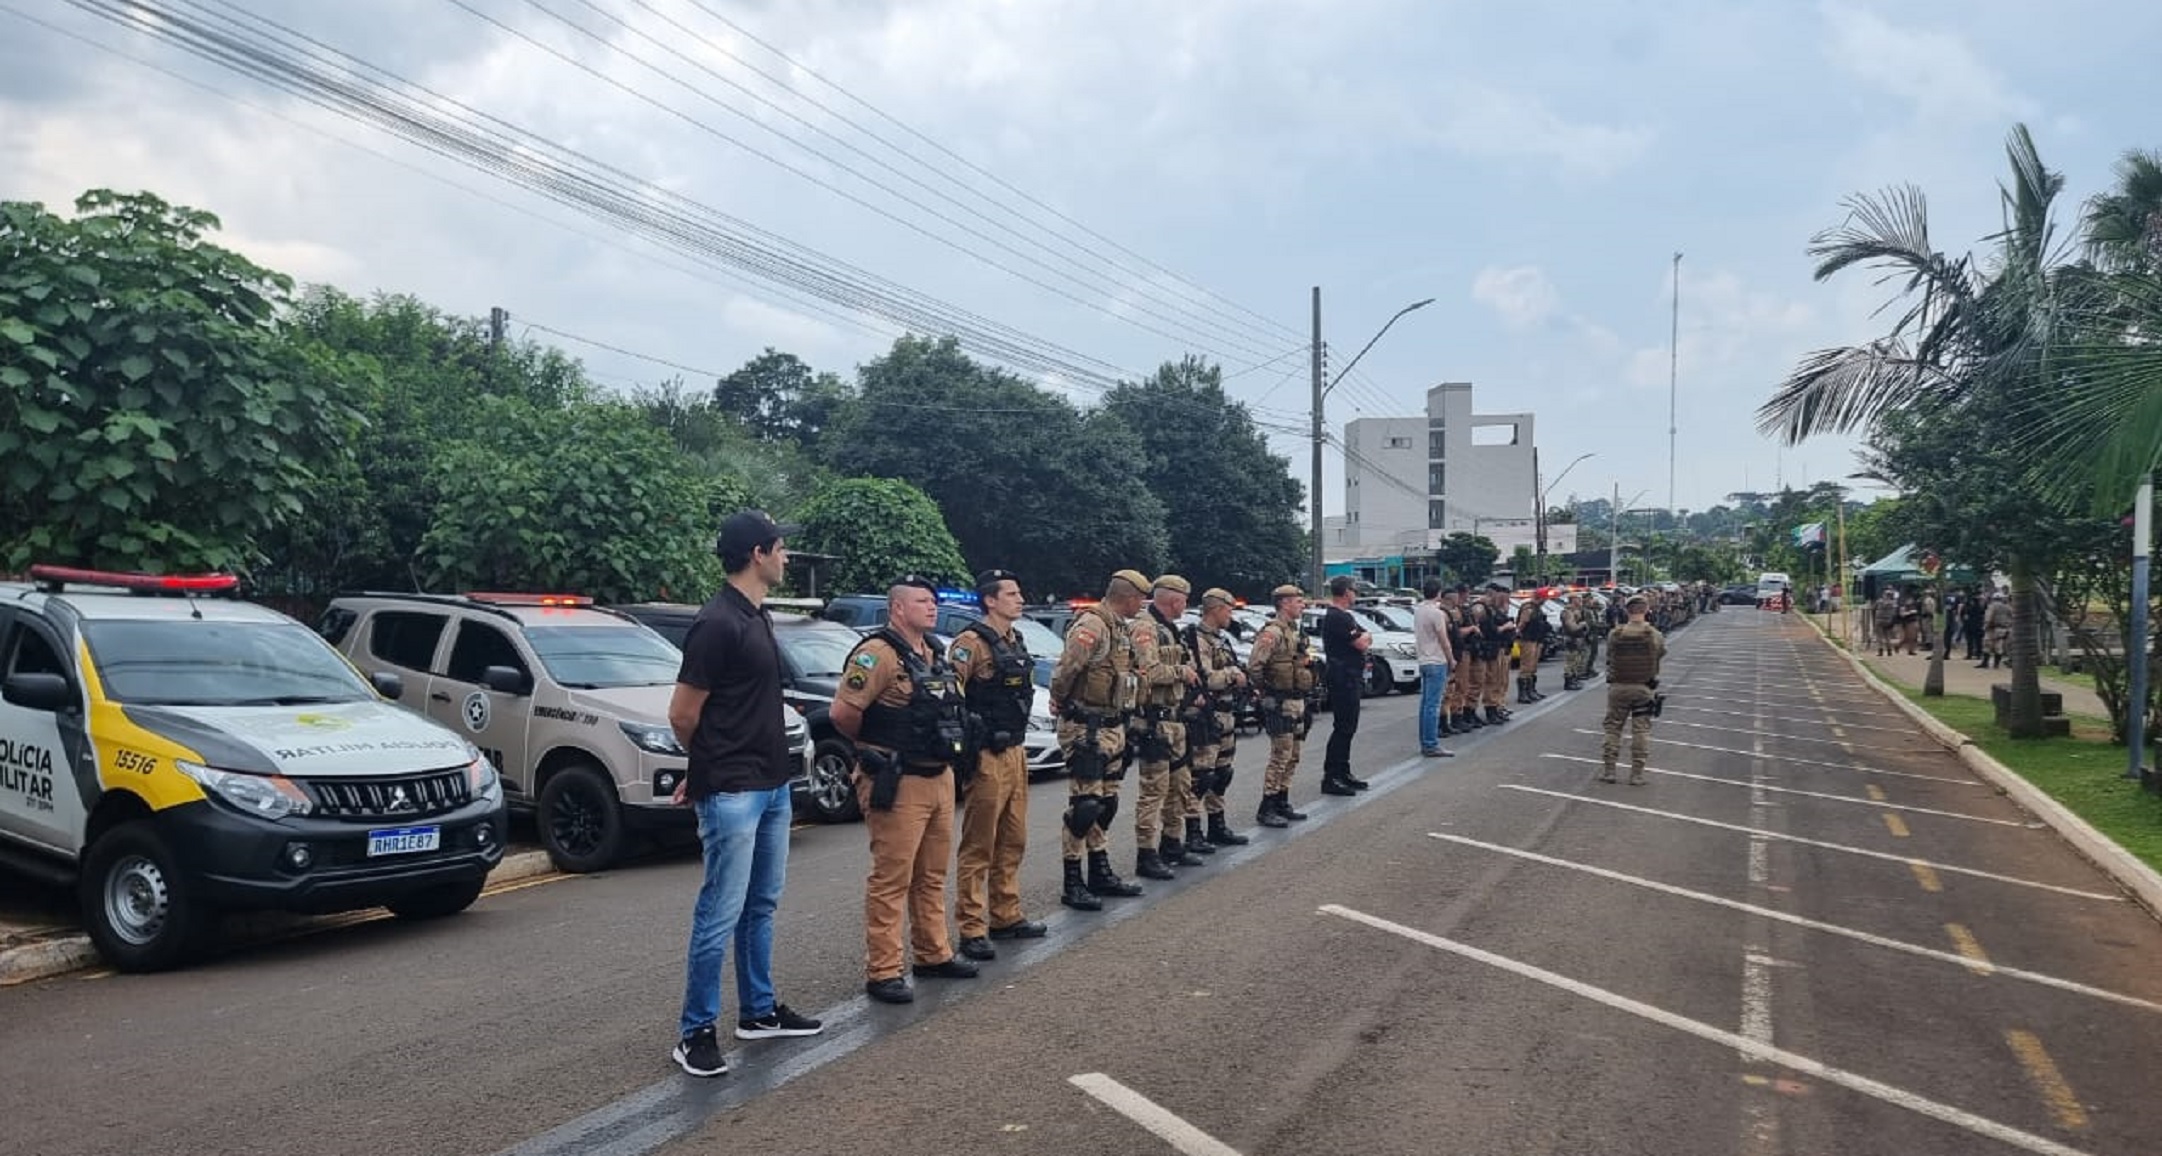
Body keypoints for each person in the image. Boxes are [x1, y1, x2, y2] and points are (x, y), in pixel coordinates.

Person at [668, 510, 824, 1079]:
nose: (787, 557)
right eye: (781, 548)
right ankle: (695, 1032)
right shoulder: (717, 622)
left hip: (772, 782)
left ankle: (758, 1012)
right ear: (757, 554)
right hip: (734, 788)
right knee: (720, 909)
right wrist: (708, 766)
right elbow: (683, 714)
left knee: (760, 904)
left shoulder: (756, 616)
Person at [831, 577, 978, 1005]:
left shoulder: (934, 652)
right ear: (897, 608)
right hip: (898, 778)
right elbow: (843, 713)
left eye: (933, 601)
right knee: (892, 878)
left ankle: (933, 954)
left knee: (932, 875)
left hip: (938, 776)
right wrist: (874, 744)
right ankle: (884, 970)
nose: (931, 607)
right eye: (921, 601)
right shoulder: (876, 655)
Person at [948, 568, 1047, 963]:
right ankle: (972, 927)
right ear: (990, 600)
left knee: (1013, 838)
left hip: (1016, 752)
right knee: (979, 844)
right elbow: (951, 697)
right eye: (1012, 593)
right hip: (986, 754)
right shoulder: (969, 643)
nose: (1020, 599)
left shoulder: (1015, 639)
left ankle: (1006, 914)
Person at [1050, 570, 1149, 909]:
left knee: (1106, 804)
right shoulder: (1092, 625)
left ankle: (1100, 871)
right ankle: (1073, 881)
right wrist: (1060, 701)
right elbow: (1066, 669)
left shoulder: (1119, 627)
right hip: (1086, 727)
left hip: (1112, 725)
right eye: (1140, 598)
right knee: (1084, 806)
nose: (1142, 604)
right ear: (1128, 597)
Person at [1130, 575, 1201, 880]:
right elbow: (1148, 671)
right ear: (1174, 599)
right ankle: (1146, 854)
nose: (1186, 605)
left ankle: (1172, 843)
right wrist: (1181, 672)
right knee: (1154, 791)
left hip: (1175, 719)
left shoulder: (1172, 630)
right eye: (1184, 599)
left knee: (1180, 786)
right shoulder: (1145, 628)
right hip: (1154, 721)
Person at [1182, 588, 1252, 847]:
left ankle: (1217, 825)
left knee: (1222, 774)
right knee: (1202, 776)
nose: (1230, 615)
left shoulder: (1220, 639)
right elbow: (1206, 678)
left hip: (1225, 714)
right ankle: (1192, 832)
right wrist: (1233, 674)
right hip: (1207, 717)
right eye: (1228, 609)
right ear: (1216, 609)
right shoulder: (1196, 640)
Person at [1248, 583, 1315, 827]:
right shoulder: (1273, 633)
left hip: (1296, 699)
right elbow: (1255, 665)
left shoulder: (1294, 632)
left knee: (1293, 755)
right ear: (1285, 603)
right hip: (1280, 701)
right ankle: (1267, 806)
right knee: (1280, 755)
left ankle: (1282, 800)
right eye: (1298, 601)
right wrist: (1266, 691)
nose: (1302, 605)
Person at [1600, 595, 1667, 786]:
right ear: (1646, 610)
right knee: (1641, 731)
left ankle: (1609, 771)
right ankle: (1636, 774)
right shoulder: (1653, 634)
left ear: (1627, 611)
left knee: (1613, 728)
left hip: (1618, 687)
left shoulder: (1616, 633)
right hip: (1643, 687)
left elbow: (1609, 655)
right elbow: (1660, 654)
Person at [1319, 575, 1372, 796]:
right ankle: (1332, 776)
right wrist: (1366, 636)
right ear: (1345, 591)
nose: (1356, 594)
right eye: (1354, 590)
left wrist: (1366, 636)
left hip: (1350, 675)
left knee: (1349, 726)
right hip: (1343, 677)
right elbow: (1361, 642)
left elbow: (1364, 636)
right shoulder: (1337, 617)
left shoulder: (1346, 616)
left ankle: (1343, 771)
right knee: (1343, 727)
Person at [1412, 579, 1456, 758]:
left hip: (1423, 659)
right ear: (1438, 593)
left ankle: (1425, 741)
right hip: (1436, 660)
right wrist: (1451, 658)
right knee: (1433, 705)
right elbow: (1443, 639)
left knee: (1425, 704)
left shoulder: (1418, 611)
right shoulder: (1436, 613)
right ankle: (1431, 744)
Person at [1474, 582, 1517, 726]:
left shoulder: (1493, 610)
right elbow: (1491, 630)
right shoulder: (1481, 608)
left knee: (1496, 680)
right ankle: (1489, 709)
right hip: (1487, 648)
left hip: (1496, 647)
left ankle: (1495, 708)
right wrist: (1506, 626)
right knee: (1487, 681)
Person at [1445, 585, 1485, 732]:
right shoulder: (1454, 612)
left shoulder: (1465, 609)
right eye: (1466, 593)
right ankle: (1456, 716)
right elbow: (1457, 632)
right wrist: (1472, 629)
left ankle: (1468, 713)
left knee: (1471, 683)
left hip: (1471, 650)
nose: (1468, 596)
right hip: (1462, 651)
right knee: (1460, 685)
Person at [1515, 594, 1553, 704]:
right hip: (1528, 639)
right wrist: (1518, 633)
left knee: (1533, 666)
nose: (1545, 601)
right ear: (1539, 597)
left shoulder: (1537, 608)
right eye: (1544, 598)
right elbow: (1522, 623)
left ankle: (1531, 690)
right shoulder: (1528, 608)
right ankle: (1523, 694)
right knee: (1526, 666)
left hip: (1536, 639)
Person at [1981, 591, 2013, 668]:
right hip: (2003, 629)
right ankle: (1996, 664)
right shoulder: (2008, 607)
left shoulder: (1992, 606)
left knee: (1987, 645)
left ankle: (1985, 663)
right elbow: (2012, 617)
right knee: (1998, 646)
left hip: (1992, 628)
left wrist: (1986, 626)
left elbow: (1989, 617)